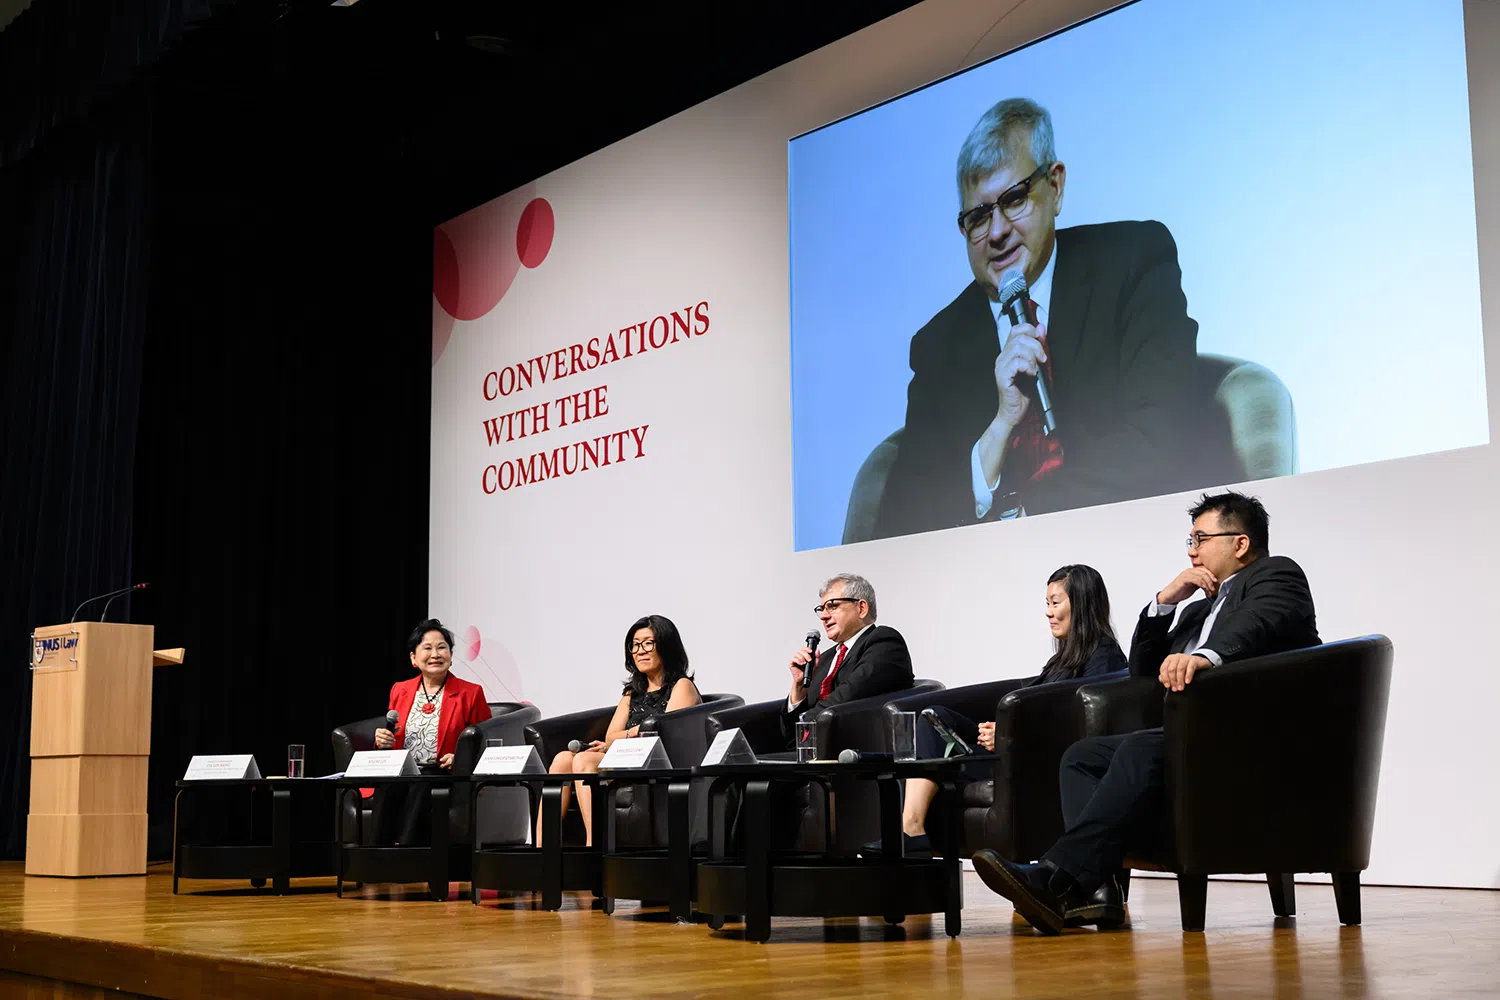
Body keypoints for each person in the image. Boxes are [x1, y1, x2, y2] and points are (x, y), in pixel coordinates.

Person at [971, 491, 1319, 934]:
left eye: (1200, 537)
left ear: (1240, 544)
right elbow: (1141, 667)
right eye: (1189, 538)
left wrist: (1206, 656)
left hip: (1250, 735)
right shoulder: (1197, 610)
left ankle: (1055, 878)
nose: (1190, 549)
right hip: (1191, 734)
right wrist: (1166, 599)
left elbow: (1260, 624)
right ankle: (1098, 893)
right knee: (1082, 757)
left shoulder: (1276, 575)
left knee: (1138, 748)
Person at [872, 97, 1212, 541]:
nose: (996, 232)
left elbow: (1164, 438)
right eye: (978, 217)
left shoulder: (1134, 261)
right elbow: (901, 519)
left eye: (1014, 199)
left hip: (1126, 543)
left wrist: (1025, 517)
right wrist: (997, 431)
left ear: (1055, 186)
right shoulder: (938, 344)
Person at [862, 564, 1126, 859]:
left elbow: (1084, 725)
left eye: (1055, 602)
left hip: (1038, 762)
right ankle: (911, 828)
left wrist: (1012, 736)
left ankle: (911, 831)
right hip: (1012, 756)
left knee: (936, 754)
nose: (1048, 612)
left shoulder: (1105, 657)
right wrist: (999, 734)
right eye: (1047, 604)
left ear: (1083, 603)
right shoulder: (1060, 661)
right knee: (933, 717)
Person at [542, 615, 700, 846]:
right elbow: (610, 736)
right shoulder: (632, 693)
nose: (640, 651)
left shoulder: (681, 686)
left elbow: (663, 733)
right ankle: (543, 851)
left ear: (666, 646)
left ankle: (593, 847)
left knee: (584, 762)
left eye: (648, 643)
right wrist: (627, 737)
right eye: (635, 645)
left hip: (655, 763)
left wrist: (628, 735)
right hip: (624, 757)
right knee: (562, 759)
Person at [370, 619, 492, 843]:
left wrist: (461, 760)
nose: (435, 654)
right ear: (413, 658)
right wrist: (383, 741)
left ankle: (409, 857)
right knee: (387, 787)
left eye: (442, 647)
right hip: (402, 771)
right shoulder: (401, 690)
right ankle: (377, 858)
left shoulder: (470, 693)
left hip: (442, 774)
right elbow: (393, 734)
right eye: (427, 648)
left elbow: (487, 742)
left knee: (422, 783)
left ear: (451, 656)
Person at [781, 573, 914, 750]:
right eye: (821, 610)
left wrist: (802, 726)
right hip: (813, 750)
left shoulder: (884, 642)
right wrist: (799, 688)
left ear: (861, 608)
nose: (823, 617)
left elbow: (850, 693)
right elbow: (789, 738)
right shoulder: (825, 658)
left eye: (833, 606)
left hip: (855, 750)